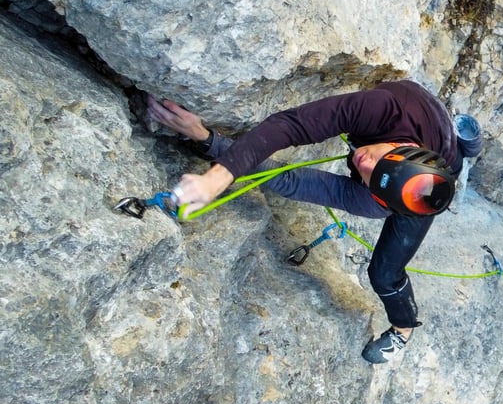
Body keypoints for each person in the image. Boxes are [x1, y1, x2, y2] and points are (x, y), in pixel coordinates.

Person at [146, 80, 481, 364]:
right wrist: (214, 164)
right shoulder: (386, 108)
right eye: (378, 161)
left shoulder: (374, 200)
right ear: (397, 145)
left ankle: (403, 329)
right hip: (427, 129)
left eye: (368, 177)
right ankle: (467, 146)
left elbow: (292, 181)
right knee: (446, 157)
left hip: (433, 176)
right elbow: (292, 126)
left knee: (383, 273)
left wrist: (209, 143)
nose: (361, 163)